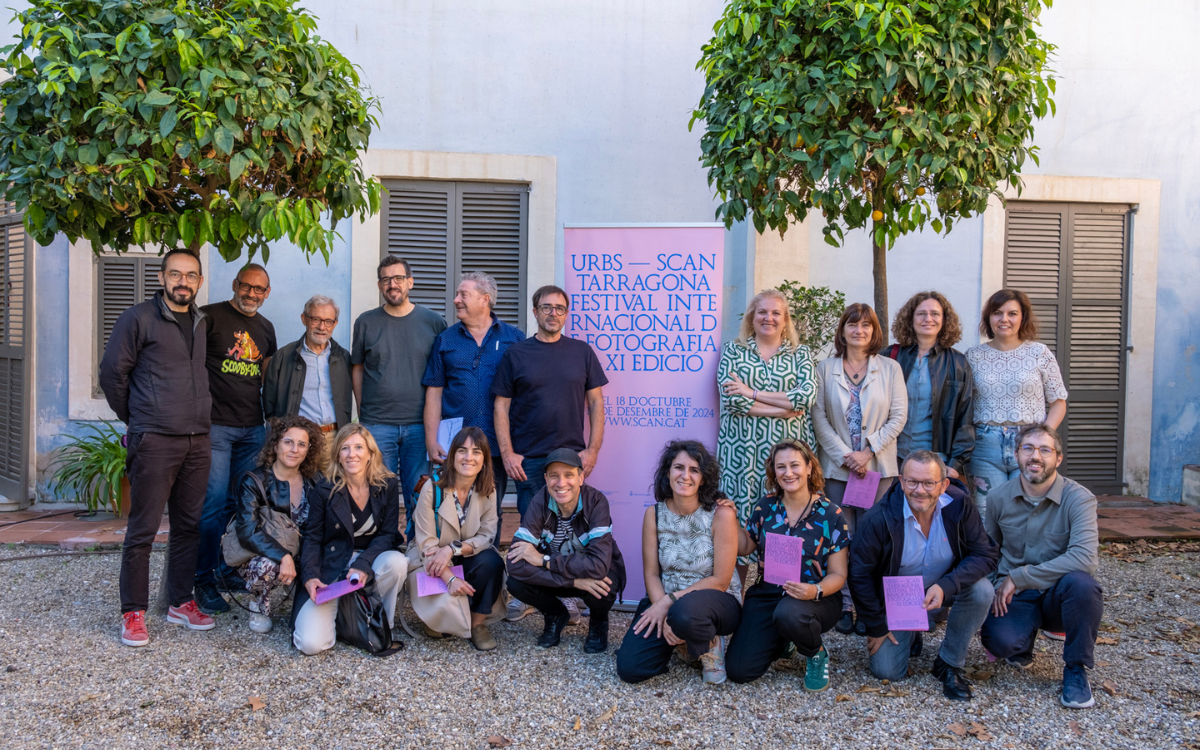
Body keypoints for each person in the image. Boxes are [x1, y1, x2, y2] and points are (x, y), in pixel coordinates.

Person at [99, 248, 215, 646]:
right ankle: (132, 612)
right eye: (176, 274)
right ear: (163, 277)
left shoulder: (200, 321)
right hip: (155, 439)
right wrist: (140, 418)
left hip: (197, 439)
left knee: (188, 526)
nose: (183, 281)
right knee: (143, 529)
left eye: (191, 275)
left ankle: (180, 602)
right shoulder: (138, 318)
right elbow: (112, 373)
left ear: (199, 281)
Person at [493, 285, 608, 621]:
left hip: (570, 459)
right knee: (533, 529)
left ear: (566, 313)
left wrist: (593, 449)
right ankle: (532, 595)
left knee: (568, 532)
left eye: (559, 308)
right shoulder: (517, 354)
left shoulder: (581, 352)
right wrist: (508, 452)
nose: (553, 313)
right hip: (527, 459)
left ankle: (567, 594)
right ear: (535, 312)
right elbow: (501, 405)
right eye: (546, 307)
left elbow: (596, 402)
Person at [848, 451, 999, 701]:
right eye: (912, 482)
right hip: (897, 596)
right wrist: (875, 625)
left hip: (943, 585)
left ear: (944, 484)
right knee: (887, 671)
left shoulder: (960, 506)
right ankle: (911, 628)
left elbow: (986, 554)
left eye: (929, 483)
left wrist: (948, 585)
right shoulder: (878, 517)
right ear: (900, 481)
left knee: (982, 590)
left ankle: (949, 663)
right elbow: (859, 575)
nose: (920, 490)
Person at [980, 424, 1103, 709]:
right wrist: (985, 597)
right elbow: (988, 552)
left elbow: (1086, 558)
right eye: (1028, 449)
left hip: (1060, 596)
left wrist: (1020, 576)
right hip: (1017, 597)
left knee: (1084, 585)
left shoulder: (1078, 498)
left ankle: (1075, 668)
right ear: (1016, 455)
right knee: (1000, 643)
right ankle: (1023, 641)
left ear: (1058, 458)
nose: (1036, 456)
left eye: (1044, 450)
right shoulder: (999, 497)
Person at [812, 303, 907, 635]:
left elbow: (898, 416)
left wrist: (867, 452)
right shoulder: (825, 368)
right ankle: (845, 604)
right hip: (837, 470)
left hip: (877, 468)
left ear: (874, 331)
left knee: (873, 540)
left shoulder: (891, 368)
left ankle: (869, 607)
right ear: (842, 330)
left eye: (866, 325)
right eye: (852, 324)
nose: (859, 330)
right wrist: (845, 455)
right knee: (841, 538)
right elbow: (819, 418)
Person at [725, 440, 849, 691]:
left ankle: (815, 652)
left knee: (789, 613)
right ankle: (784, 637)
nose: (788, 473)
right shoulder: (765, 506)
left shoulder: (831, 514)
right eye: (781, 467)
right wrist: (730, 517)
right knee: (739, 670)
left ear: (809, 468)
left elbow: (838, 574)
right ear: (774, 472)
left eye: (795, 465)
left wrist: (815, 591)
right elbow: (746, 547)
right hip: (768, 593)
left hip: (814, 598)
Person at [616, 441, 741, 685]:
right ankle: (684, 641)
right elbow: (651, 574)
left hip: (717, 601)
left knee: (685, 613)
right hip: (668, 601)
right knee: (630, 668)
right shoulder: (654, 514)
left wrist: (669, 603)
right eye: (678, 468)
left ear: (704, 478)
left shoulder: (721, 514)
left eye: (694, 470)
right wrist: (661, 611)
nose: (685, 476)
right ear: (667, 473)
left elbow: (721, 580)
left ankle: (710, 644)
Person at [194, 262, 278, 614]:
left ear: (267, 293)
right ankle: (202, 581)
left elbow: (265, 375)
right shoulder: (209, 317)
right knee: (211, 507)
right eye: (246, 286)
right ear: (235, 284)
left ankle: (227, 569)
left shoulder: (265, 327)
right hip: (216, 426)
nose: (252, 294)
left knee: (237, 505)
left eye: (259, 289)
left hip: (251, 428)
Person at [717, 289, 816, 577]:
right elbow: (732, 401)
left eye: (776, 313)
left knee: (783, 521)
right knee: (740, 522)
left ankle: (776, 596)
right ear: (751, 316)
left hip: (786, 456)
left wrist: (752, 392)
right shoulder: (733, 350)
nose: (768, 318)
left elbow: (805, 398)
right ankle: (735, 601)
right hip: (742, 455)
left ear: (785, 320)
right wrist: (782, 408)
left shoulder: (801, 354)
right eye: (762, 312)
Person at [422, 272, 525, 546]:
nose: (456, 300)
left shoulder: (515, 338)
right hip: (455, 446)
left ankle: (487, 571)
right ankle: (450, 573)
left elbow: (526, 392)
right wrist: (431, 441)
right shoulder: (445, 340)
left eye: (463, 295)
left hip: (497, 444)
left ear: (485, 299)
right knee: (452, 508)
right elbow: (434, 391)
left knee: (493, 509)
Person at [351, 256, 447, 539]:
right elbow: (357, 368)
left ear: (410, 282)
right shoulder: (366, 322)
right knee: (378, 491)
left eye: (398, 278)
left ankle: (418, 548)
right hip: (377, 423)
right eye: (385, 279)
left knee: (421, 491)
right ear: (379, 285)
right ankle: (384, 547)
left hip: (421, 426)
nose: (392, 284)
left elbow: (442, 374)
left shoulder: (433, 322)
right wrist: (362, 411)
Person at [293, 424, 409, 655]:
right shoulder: (324, 489)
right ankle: (344, 613)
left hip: (369, 560)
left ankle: (376, 620)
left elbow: (387, 534)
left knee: (397, 563)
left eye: (358, 447)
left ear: (370, 453)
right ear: (337, 454)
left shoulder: (387, 485)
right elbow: (312, 537)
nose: (351, 454)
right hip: (332, 566)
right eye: (345, 448)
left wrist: (363, 564)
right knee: (310, 645)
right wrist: (310, 576)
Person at [505, 448, 625, 653]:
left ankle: (598, 622)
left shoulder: (596, 502)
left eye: (568, 475)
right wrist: (574, 582)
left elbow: (597, 566)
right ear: (545, 479)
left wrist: (545, 561)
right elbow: (514, 565)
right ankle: (555, 614)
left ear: (581, 477)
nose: (561, 483)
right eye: (554, 476)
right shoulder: (539, 502)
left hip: (588, 574)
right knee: (516, 583)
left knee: (606, 583)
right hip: (574, 576)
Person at [966, 289, 1067, 516]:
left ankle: (1023, 554)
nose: (1004, 319)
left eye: (1012, 313)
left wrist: (1043, 437)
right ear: (988, 318)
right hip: (984, 446)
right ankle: (991, 553)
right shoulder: (973, 356)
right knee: (987, 514)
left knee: (1029, 512)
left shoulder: (1039, 353)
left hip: (1030, 445)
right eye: (997, 313)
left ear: (1023, 317)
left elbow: (1059, 402)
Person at [406, 427, 506, 651]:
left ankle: (478, 624)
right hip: (430, 560)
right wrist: (450, 579)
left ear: (485, 460)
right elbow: (426, 545)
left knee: (493, 562)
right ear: (452, 456)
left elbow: (487, 536)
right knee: (440, 627)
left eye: (477, 452)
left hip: (464, 554)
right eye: (462, 450)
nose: (469, 457)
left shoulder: (488, 489)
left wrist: (453, 549)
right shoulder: (432, 488)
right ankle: (449, 614)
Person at [231, 416, 325, 634]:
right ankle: (259, 601)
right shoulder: (254, 481)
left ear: (308, 450)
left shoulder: (315, 479)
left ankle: (297, 586)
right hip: (262, 554)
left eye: (302, 444)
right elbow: (247, 531)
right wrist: (283, 556)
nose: (294, 449)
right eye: (288, 442)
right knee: (267, 566)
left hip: (304, 554)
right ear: (275, 444)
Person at [886, 291, 975, 477]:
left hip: (936, 460)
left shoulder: (958, 363)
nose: (928, 319)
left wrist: (955, 464)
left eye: (935, 314)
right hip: (892, 457)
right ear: (910, 319)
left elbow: (964, 418)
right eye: (921, 314)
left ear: (944, 320)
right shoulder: (890, 356)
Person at [263, 295, 353, 435]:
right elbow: (269, 401)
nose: (321, 327)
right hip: (299, 438)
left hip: (334, 438)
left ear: (335, 324)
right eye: (316, 319)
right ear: (304, 319)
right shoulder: (283, 356)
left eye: (328, 321)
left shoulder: (343, 357)